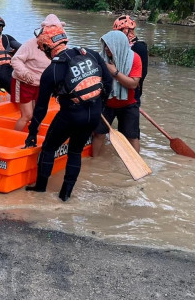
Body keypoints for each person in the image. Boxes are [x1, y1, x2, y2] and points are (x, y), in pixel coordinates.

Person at [23, 25, 112, 201]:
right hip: (93, 113)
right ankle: (65, 195)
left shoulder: (52, 71)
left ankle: (40, 189)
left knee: (49, 147)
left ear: (48, 47)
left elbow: (41, 108)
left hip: (71, 115)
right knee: (75, 152)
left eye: (43, 49)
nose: (43, 53)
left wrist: (32, 132)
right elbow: (108, 82)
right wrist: (99, 107)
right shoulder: (90, 54)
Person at [91, 30, 143, 155]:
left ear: (119, 45)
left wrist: (114, 72)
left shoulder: (134, 59)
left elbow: (133, 84)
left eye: (110, 46)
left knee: (131, 136)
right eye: (105, 45)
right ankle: (95, 162)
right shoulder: (100, 59)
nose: (107, 49)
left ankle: (137, 164)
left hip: (128, 104)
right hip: (105, 103)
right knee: (98, 134)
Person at [9, 14, 60, 131]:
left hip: (41, 84)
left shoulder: (59, 46)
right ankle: (13, 138)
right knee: (27, 115)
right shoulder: (32, 44)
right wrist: (25, 73)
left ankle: (33, 138)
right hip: (23, 82)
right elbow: (15, 59)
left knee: (37, 116)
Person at [113, 15, 148, 105]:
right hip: (119, 90)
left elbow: (142, 73)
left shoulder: (139, 47)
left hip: (132, 92)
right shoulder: (122, 45)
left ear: (126, 31)